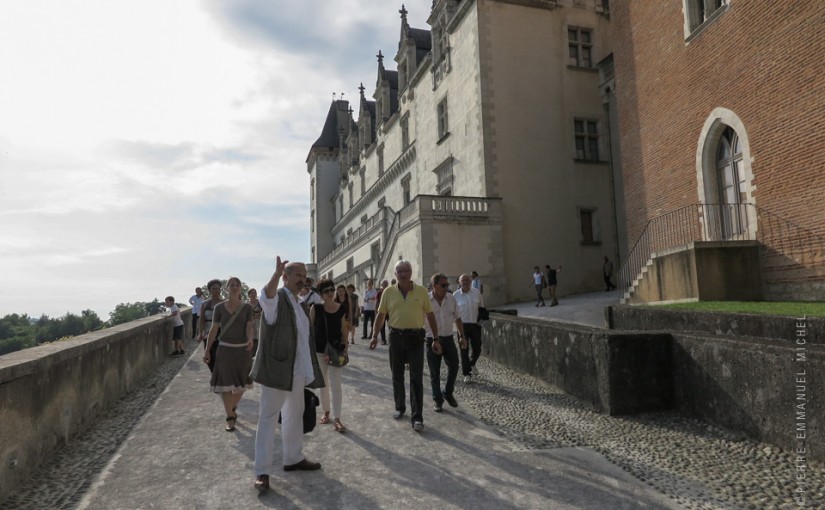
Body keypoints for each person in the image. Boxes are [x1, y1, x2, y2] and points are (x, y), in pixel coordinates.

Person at [251, 257, 325, 491]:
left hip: (298, 370)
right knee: (268, 419)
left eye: (304, 276)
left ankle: (293, 458)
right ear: (286, 277)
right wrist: (275, 275)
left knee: (295, 414)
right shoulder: (277, 299)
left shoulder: (300, 303)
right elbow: (266, 296)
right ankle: (262, 471)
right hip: (278, 370)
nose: (302, 280)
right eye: (297, 276)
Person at [369, 260, 440, 432]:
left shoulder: (422, 291)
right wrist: (374, 336)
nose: (402, 274)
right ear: (395, 274)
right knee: (397, 375)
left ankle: (417, 417)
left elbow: (430, 315)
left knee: (416, 378)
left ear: (411, 272)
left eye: (405, 270)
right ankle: (400, 406)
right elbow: (380, 315)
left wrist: (436, 338)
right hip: (396, 337)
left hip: (416, 337)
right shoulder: (388, 292)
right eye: (399, 271)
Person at [203, 277, 253, 432]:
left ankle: (232, 407)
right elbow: (214, 329)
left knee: (241, 385)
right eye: (231, 285)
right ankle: (230, 417)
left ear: (240, 289)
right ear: (227, 288)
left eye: (237, 285)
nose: (234, 287)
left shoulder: (247, 308)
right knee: (225, 386)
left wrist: (250, 338)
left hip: (242, 349)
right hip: (224, 349)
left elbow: (249, 326)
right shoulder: (219, 308)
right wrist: (207, 350)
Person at [310, 279, 349, 432]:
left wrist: (345, 347)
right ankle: (326, 411)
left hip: (335, 351)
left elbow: (344, 330)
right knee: (323, 383)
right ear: (321, 294)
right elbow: (310, 329)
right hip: (319, 351)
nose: (330, 293)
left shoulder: (341, 308)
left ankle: (337, 418)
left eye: (332, 290)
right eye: (326, 291)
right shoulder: (316, 308)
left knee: (336, 384)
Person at [426, 273, 466, 412]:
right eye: (443, 285)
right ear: (434, 286)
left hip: (448, 338)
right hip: (431, 340)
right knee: (434, 372)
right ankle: (438, 400)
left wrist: (462, 336)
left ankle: (448, 392)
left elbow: (458, 318)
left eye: (447, 285)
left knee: (454, 366)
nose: (446, 288)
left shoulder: (451, 298)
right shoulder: (426, 300)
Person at [454, 273, 485, 384]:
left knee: (477, 348)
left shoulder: (476, 292)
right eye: (463, 280)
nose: (466, 282)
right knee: (464, 350)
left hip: (475, 325)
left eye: (468, 280)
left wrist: (481, 319)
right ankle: (466, 374)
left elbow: (481, 307)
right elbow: (453, 312)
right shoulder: (455, 295)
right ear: (460, 282)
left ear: (471, 281)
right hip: (462, 326)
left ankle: (472, 364)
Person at [198, 279, 223, 372]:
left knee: (221, 357)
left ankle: (219, 377)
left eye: (218, 288)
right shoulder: (205, 304)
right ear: (210, 290)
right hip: (208, 332)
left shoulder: (224, 303)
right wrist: (201, 332)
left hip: (222, 333)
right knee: (210, 356)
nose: (216, 291)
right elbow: (202, 320)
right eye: (214, 289)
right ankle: (215, 375)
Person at [247, 288, 263, 357]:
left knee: (259, 339)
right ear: (249, 295)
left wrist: (259, 314)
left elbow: (265, 311)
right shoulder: (247, 304)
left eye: (255, 293)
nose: (253, 294)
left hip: (258, 323)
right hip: (251, 323)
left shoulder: (260, 303)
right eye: (252, 293)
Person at [374, 280, 389, 345]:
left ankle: (391, 339)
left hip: (389, 311)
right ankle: (383, 340)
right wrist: (376, 311)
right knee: (382, 326)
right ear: (381, 285)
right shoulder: (379, 293)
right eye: (384, 284)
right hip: (382, 311)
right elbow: (377, 302)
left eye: (386, 284)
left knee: (391, 325)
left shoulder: (390, 292)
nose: (385, 285)